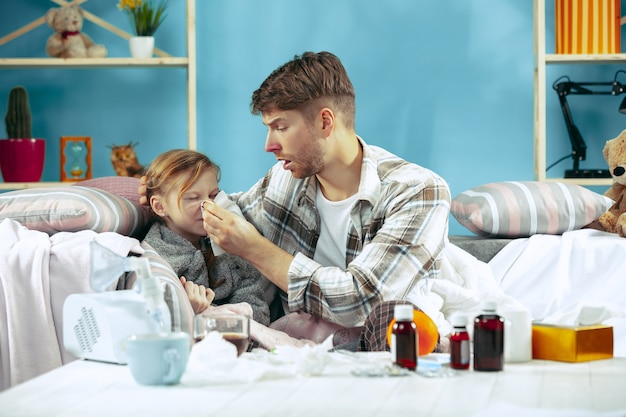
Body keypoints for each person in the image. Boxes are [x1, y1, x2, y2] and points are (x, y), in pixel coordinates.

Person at [197, 51, 451, 336]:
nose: (269, 145)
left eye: (281, 127)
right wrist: (158, 194)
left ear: (325, 122)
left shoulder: (417, 191)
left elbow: (363, 302)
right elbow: (219, 212)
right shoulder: (284, 180)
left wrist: (254, 248)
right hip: (298, 352)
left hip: (387, 349)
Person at [142, 149, 270, 326]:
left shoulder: (229, 245)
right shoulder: (155, 259)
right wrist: (188, 311)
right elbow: (151, 321)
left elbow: (259, 312)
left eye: (213, 195)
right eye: (193, 198)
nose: (208, 205)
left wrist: (213, 314)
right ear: (160, 206)